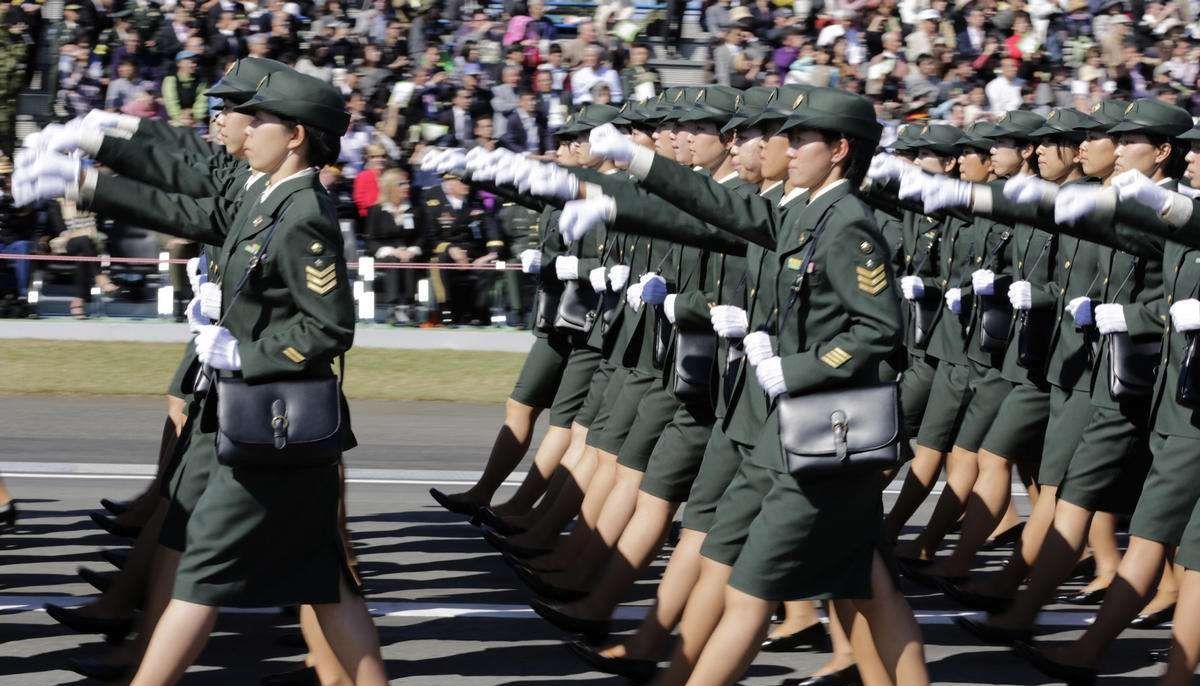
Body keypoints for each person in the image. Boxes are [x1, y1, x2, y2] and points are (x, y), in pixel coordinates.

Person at [366, 166, 423, 324]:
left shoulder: (415, 209)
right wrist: (391, 250)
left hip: (409, 253)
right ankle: (393, 307)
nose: (407, 187)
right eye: (401, 184)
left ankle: (409, 306)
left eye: (407, 183)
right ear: (390, 187)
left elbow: (422, 236)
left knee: (408, 262)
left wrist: (411, 250)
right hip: (386, 255)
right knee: (393, 260)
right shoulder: (376, 210)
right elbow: (371, 240)